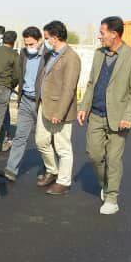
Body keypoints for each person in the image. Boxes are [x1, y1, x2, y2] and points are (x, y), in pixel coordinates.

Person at [77, 16, 131, 215]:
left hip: (119, 118)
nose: (99, 37)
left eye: (102, 33)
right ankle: (105, 185)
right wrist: (83, 107)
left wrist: (128, 117)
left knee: (113, 159)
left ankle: (112, 197)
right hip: (96, 115)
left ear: (114, 35)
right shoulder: (99, 54)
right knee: (94, 154)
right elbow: (91, 83)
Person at [33, 21, 82, 195]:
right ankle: (52, 170)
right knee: (41, 141)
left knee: (63, 148)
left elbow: (69, 88)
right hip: (44, 106)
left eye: (46, 38)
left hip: (60, 110)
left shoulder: (71, 57)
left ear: (55, 37)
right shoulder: (49, 55)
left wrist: (59, 113)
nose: (45, 41)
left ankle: (63, 182)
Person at [0, 27, 45, 182]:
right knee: (20, 137)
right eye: (26, 44)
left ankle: (48, 171)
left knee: (43, 140)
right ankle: (11, 170)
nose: (29, 47)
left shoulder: (48, 56)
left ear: (39, 41)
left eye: (31, 44)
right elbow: (18, 73)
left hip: (41, 104)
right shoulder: (23, 54)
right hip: (25, 100)